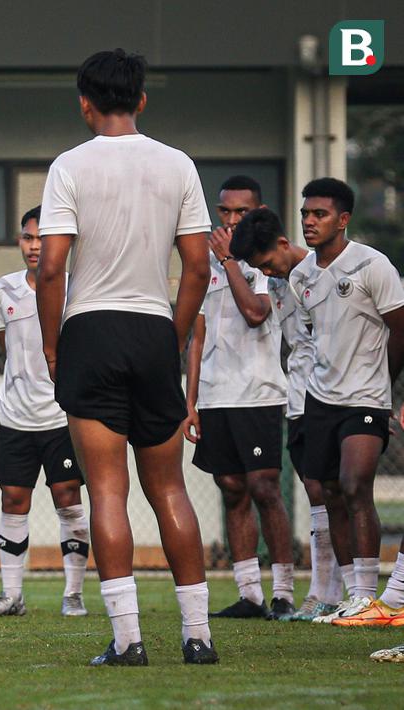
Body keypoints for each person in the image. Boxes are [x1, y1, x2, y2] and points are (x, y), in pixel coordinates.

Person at [35, 49, 218, 666]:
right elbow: (198, 266)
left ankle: (129, 640)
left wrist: (53, 341)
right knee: (169, 488)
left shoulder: (69, 166)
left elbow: (52, 265)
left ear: (84, 103)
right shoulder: (179, 165)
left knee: (107, 492)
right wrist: (174, 335)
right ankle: (198, 636)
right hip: (151, 330)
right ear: (141, 100)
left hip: (91, 331)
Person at [284, 178, 404, 623]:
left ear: (344, 219)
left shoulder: (373, 265)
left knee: (356, 486)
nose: (309, 222)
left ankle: (371, 595)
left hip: (366, 398)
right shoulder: (301, 277)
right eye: (305, 214)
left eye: (319, 214)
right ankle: (352, 595)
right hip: (320, 398)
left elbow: (400, 327)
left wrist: (384, 381)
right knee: (331, 492)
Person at [227, 207, 349, 621]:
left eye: (268, 264)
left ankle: (350, 588)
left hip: (337, 396)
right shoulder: (280, 282)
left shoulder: (322, 275)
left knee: (341, 489)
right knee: (316, 490)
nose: (269, 273)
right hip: (299, 399)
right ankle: (322, 590)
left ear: (283, 244)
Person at [182, 176, 294, 620]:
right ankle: (249, 594)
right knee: (230, 489)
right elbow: (197, 332)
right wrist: (189, 401)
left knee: (264, 487)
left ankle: (284, 592)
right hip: (215, 393)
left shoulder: (259, 262)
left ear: (258, 213)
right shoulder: (204, 263)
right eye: (224, 212)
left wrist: (229, 260)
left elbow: (254, 313)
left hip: (258, 390)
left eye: (241, 212)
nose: (230, 220)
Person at [0, 206, 89, 619]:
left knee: (67, 496)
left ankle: (73, 594)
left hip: (61, 417)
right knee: (12, 498)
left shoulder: (77, 288)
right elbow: (4, 345)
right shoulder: (3, 289)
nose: (34, 245)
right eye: (28, 237)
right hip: (15, 416)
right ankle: (12, 596)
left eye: (43, 238)